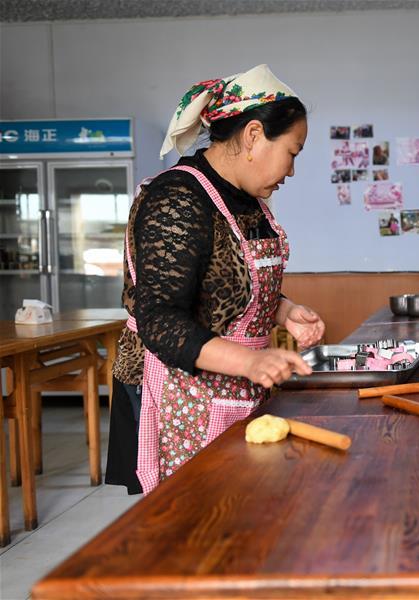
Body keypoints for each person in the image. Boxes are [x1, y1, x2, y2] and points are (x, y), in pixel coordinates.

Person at [106, 65, 323, 496]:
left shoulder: (248, 201)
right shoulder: (177, 199)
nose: (292, 171)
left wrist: (286, 311)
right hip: (179, 398)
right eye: (293, 152)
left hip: (237, 391)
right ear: (254, 135)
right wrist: (252, 362)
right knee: (195, 529)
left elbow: (228, 284)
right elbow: (160, 321)